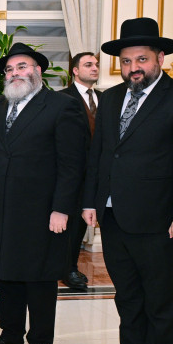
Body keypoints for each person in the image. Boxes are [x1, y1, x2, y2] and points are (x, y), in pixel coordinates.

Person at [83, 17, 173, 344]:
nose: (133, 67)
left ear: (160, 58)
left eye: (141, 59)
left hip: (159, 220)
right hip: (113, 216)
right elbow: (99, 155)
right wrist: (90, 201)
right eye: (126, 61)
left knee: (159, 300)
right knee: (127, 297)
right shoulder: (110, 98)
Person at [0, 43, 88, 344]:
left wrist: (61, 208)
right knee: (5, 275)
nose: (15, 74)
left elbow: (72, 164)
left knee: (40, 279)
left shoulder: (62, 106)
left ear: (38, 71)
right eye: (10, 70)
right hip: (0, 208)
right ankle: (10, 336)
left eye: (22, 67)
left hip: (42, 212)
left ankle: (40, 342)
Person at [58, 51, 102, 291]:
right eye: (88, 65)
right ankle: (68, 268)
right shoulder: (61, 98)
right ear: (75, 70)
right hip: (72, 172)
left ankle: (70, 266)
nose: (94, 68)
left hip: (97, 173)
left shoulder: (105, 98)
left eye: (96, 64)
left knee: (85, 222)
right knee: (71, 224)